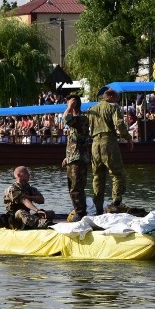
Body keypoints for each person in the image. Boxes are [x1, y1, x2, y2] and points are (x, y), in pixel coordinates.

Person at [87, 87, 133, 214]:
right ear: (111, 97)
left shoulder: (92, 109)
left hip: (94, 144)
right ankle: (116, 203)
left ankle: (98, 208)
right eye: (116, 99)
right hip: (108, 142)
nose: (117, 102)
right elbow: (119, 123)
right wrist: (128, 138)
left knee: (97, 176)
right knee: (117, 173)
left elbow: (86, 127)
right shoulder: (113, 107)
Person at [61, 93, 90, 221]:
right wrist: (67, 157)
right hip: (73, 157)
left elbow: (65, 119)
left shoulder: (82, 119)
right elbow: (74, 141)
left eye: (69, 102)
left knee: (76, 187)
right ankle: (79, 211)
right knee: (72, 186)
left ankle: (80, 213)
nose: (67, 105)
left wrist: (69, 107)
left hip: (79, 158)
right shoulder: (75, 121)